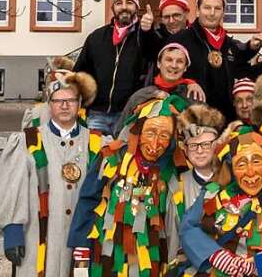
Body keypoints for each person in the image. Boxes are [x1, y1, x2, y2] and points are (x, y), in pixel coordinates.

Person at [0, 58, 101, 277]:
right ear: (49, 104)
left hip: (83, 241)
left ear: (80, 104)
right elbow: (12, 188)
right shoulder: (28, 141)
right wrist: (12, 230)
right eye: (58, 100)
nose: (64, 105)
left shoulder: (98, 143)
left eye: (70, 100)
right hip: (38, 238)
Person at [68, 95, 186, 276]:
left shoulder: (173, 170)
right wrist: (81, 246)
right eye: (150, 132)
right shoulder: (110, 158)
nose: (155, 144)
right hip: (108, 255)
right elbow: (88, 200)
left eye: (164, 136)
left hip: (151, 259)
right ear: (137, 131)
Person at [178, 126, 262, 276]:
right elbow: (188, 228)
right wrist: (217, 256)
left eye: (257, 162)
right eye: (241, 164)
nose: (250, 172)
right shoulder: (212, 194)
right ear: (231, 169)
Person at [172, 0, 262, 121]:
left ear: (223, 12)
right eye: (207, 8)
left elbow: (241, 67)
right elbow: (167, 73)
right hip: (193, 117)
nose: (212, 13)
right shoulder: (181, 40)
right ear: (198, 11)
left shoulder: (228, 43)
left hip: (225, 118)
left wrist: (255, 50)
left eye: (217, 8)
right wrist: (187, 81)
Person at [73, 0, 151, 134]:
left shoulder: (145, 37)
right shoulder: (96, 37)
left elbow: (155, 57)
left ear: (137, 7)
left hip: (129, 114)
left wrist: (148, 31)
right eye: (118, 3)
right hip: (97, 114)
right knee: (95, 155)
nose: (124, 7)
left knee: (122, 156)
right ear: (113, 8)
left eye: (129, 2)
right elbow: (80, 72)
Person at [170, 104, 225, 224]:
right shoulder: (178, 185)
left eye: (205, 144)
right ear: (185, 149)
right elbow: (173, 235)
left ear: (216, 145)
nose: (199, 151)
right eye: (193, 145)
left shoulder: (229, 179)